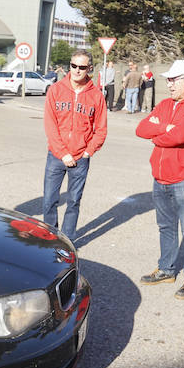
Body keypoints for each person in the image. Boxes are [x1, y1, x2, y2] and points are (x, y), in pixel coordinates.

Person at [136, 60, 184, 299]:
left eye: (173, 79)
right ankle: (166, 269)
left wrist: (160, 131)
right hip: (161, 176)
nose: (168, 84)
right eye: (168, 79)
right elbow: (141, 129)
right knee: (166, 226)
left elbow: (178, 137)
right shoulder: (165, 104)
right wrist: (166, 127)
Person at [42, 50, 108, 244]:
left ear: (89, 68)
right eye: (73, 66)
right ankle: (50, 239)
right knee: (49, 201)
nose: (77, 71)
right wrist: (62, 153)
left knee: (73, 202)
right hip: (56, 156)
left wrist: (88, 152)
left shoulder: (96, 95)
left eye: (82, 67)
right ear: (69, 65)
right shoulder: (55, 90)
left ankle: (67, 242)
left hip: (80, 158)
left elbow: (101, 129)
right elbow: (50, 125)